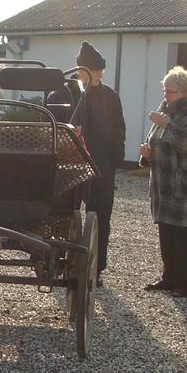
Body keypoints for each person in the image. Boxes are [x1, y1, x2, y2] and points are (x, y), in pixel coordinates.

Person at [138, 66, 187, 298]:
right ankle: (168, 277)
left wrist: (166, 125)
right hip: (163, 185)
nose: (165, 95)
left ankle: (185, 284)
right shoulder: (165, 110)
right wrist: (147, 155)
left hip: (186, 186)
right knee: (166, 234)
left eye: (170, 91)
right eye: (164, 90)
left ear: (184, 91)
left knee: (183, 237)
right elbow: (156, 142)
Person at [65, 41, 125, 286]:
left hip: (101, 163)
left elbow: (118, 130)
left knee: (100, 216)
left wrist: (114, 159)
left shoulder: (110, 97)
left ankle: (96, 268)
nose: (94, 76)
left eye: (98, 72)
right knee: (65, 214)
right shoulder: (68, 92)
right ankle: (65, 262)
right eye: (89, 71)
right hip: (70, 163)